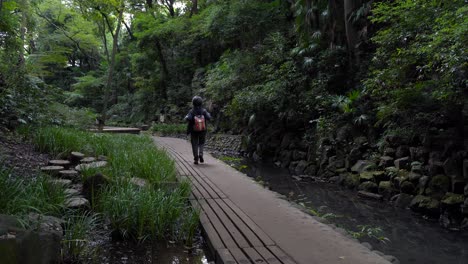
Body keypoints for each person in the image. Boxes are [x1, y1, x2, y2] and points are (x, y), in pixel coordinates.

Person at [185, 96, 211, 164]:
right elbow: (208, 117)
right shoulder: (204, 111)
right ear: (201, 102)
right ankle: (201, 154)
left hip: (194, 130)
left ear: (193, 103)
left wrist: (188, 117)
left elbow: (188, 118)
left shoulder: (191, 111)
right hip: (202, 130)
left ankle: (196, 158)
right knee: (201, 143)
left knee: (194, 144)